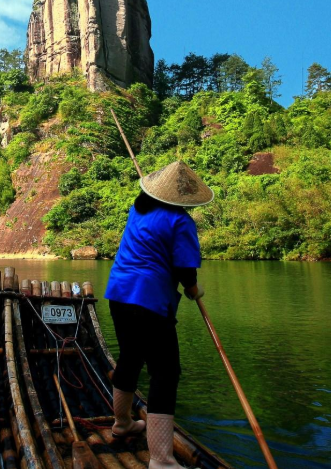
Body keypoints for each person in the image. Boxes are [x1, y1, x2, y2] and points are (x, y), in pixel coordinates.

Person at [104, 161, 212, 469]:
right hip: (149, 301)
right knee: (165, 373)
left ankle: (122, 424)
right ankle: (162, 460)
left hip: (119, 295)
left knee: (129, 358)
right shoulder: (181, 221)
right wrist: (194, 290)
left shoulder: (137, 209)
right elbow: (184, 269)